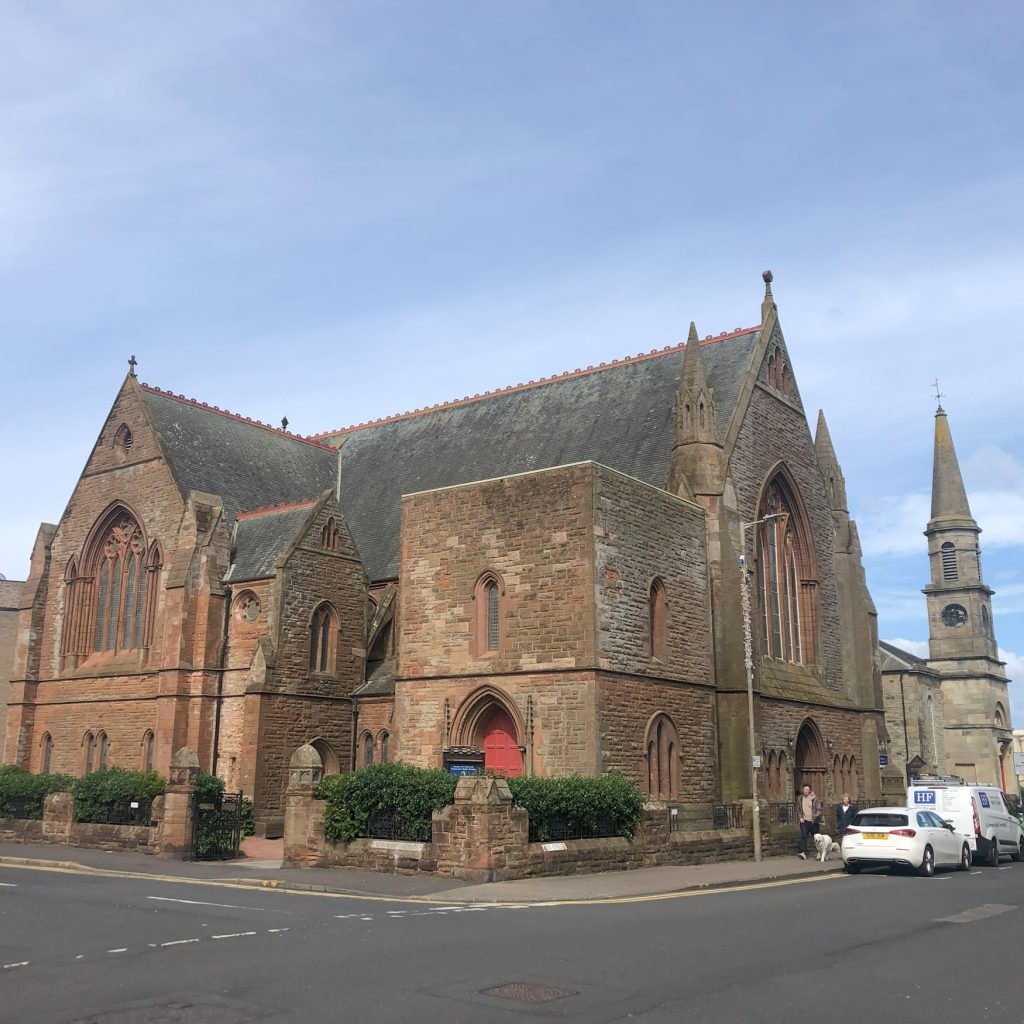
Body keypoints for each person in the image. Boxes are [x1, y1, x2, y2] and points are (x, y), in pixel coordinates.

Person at [796, 783, 821, 859]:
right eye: (804, 789)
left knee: (816, 837)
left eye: (807, 789)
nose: (806, 791)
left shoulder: (814, 798)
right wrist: (800, 817)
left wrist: (815, 816)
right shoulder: (800, 798)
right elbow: (798, 809)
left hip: (813, 822)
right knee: (803, 836)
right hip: (804, 821)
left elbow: (819, 809)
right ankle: (802, 853)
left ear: (810, 790)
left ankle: (819, 852)